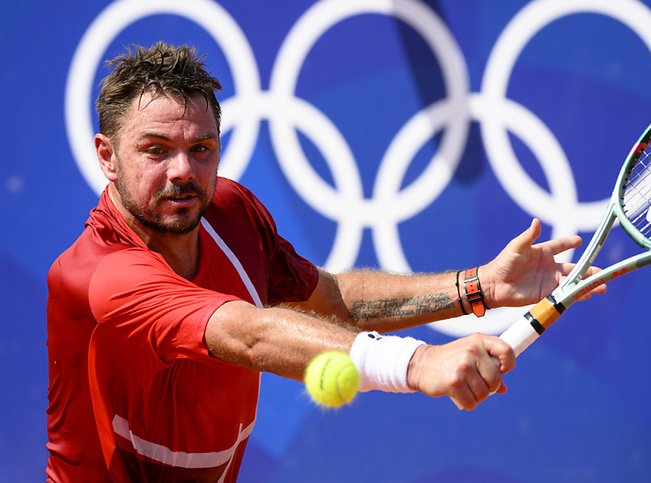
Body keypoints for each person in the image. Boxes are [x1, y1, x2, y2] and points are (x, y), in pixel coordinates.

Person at [46, 42, 603, 481]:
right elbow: (250, 334)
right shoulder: (100, 276)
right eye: (156, 150)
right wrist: (416, 364)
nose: (182, 171)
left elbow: (328, 301)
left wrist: (477, 286)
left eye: (201, 148)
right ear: (107, 157)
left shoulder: (231, 211)